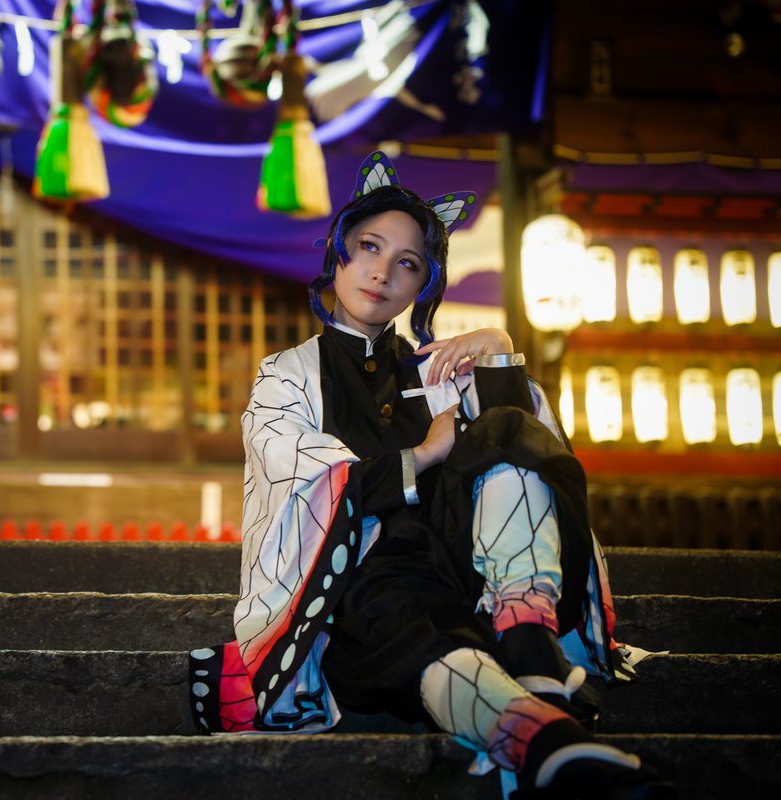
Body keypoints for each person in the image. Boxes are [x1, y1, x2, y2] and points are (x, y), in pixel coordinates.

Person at [188, 152, 674, 798]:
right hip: (355, 591)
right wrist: (424, 454)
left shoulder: (435, 371)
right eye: (370, 247)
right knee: (417, 624)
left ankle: (530, 642)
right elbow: (299, 482)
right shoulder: (286, 376)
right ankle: (546, 741)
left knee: (504, 426)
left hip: (461, 573)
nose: (382, 272)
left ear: (422, 286)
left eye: (408, 263)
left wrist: (499, 353)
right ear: (338, 254)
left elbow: (525, 449)